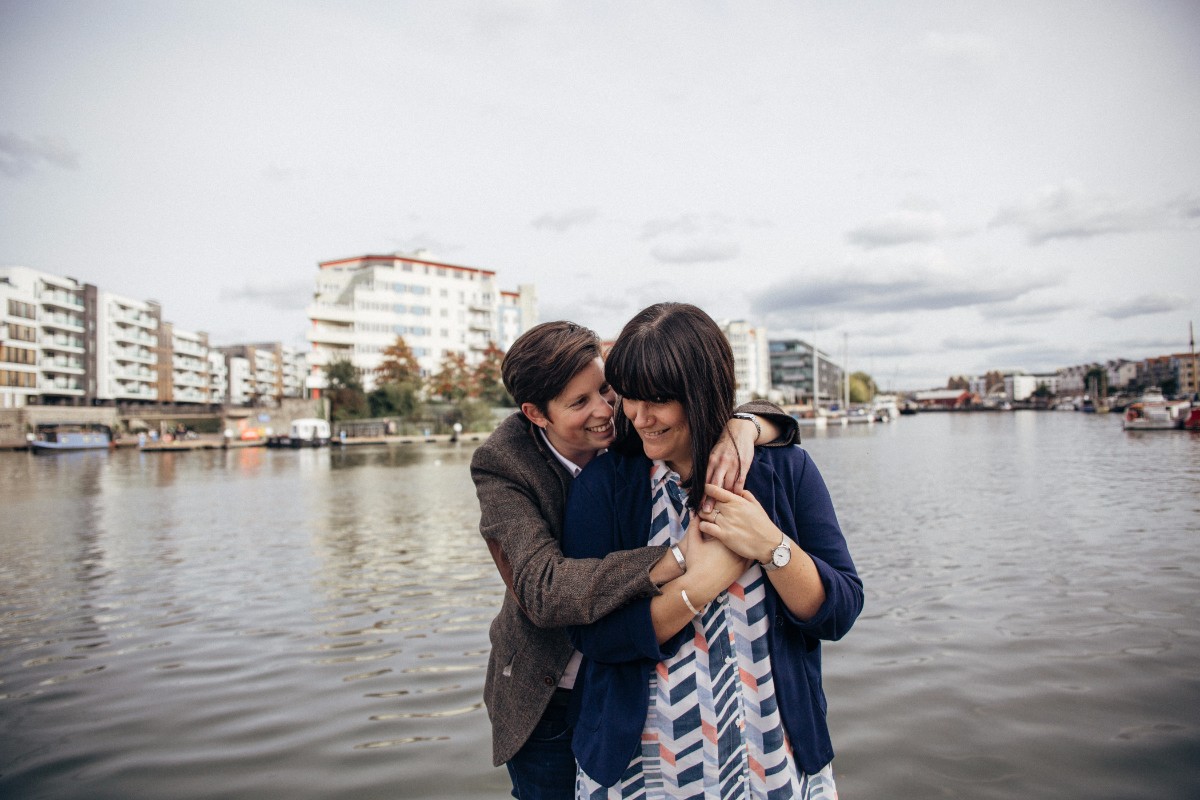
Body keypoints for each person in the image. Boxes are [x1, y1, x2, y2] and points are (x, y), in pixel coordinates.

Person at [471, 320, 800, 800]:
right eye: (579, 403)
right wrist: (676, 559)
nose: (607, 411)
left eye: (607, 390)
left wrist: (745, 426)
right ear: (536, 414)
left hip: (634, 683)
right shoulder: (503, 465)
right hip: (551, 690)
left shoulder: (632, 412)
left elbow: (709, 396)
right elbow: (542, 588)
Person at [562, 303, 863, 798]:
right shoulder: (605, 487)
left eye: (657, 399)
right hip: (646, 767)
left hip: (773, 754)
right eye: (629, 397)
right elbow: (592, 635)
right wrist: (698, 586)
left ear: (701, 392)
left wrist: (770, 545)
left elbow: (839, 612)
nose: (638, 416)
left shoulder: (785, 472)